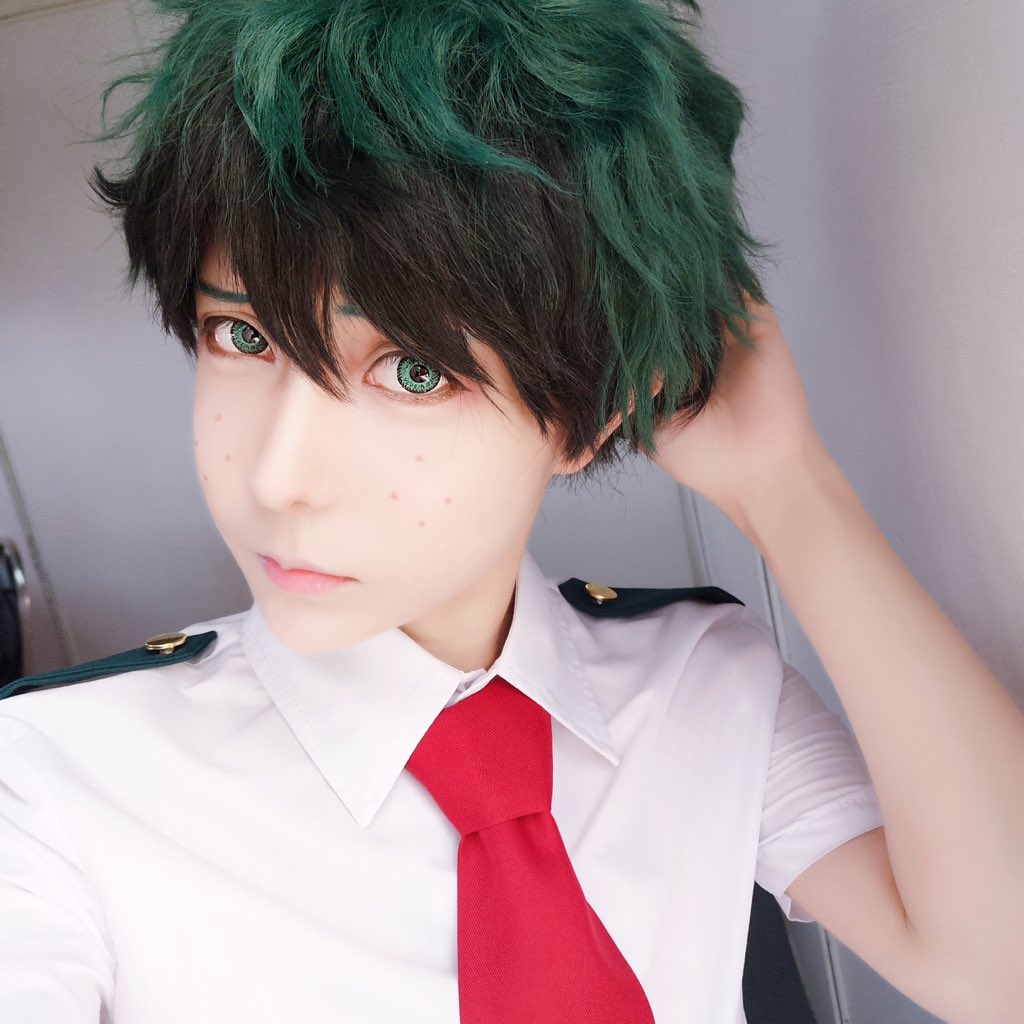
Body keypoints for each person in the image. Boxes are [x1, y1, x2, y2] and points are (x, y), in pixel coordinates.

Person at [2, 1, 1021, 1022]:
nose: (278, 476)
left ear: (591, 416)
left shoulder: (700, 683)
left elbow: (997, 971)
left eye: (412, 369)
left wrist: (787, 485)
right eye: (242, 337)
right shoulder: (48, 781)